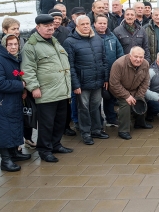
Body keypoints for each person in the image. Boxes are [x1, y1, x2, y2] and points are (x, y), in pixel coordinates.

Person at [21, 14, 73, 162]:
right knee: (46, 124)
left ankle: (56, 144)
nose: (50, 28)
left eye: (51, 25)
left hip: (62, 90)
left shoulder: (54, 41)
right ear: (38, 27)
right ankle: (44, 150)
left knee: (59, 121)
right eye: (46, 26)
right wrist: (34, 87)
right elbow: (28, 69)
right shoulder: (31, 46)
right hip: (45, 92)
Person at [62, 16, 109, 145]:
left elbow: (104, 60)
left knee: (96, 107)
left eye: (87, 23)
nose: (86, 26)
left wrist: (105, 78)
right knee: (83, 109)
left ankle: (96, 130)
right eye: (82, 24)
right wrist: (75, 84)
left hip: (97, 81)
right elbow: (69, 66)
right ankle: (86, 133)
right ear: (76, 26)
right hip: (82, 83)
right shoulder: (70, 42)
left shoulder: (97, 39)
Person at [0, 34, 31, 171]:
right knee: (4, 129)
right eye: (10, 45)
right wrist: (20, 86)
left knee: (14, 125)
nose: (13, 47)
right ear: (4, 45)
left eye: (15, 44)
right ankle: (5, 160)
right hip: (1, 101)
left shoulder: (14, 58)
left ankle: (14, 153)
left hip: (13, 100)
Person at [109, 47, 151, 140]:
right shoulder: (119, 64)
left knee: (141, 102)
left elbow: (145, 81)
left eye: (141, 57)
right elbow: (114, 83)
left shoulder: (145, 64)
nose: (138, 59)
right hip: (119, 89)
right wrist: (127, 96)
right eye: (136, 56)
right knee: (126, 104)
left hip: (135, 89)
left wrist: (139, 96)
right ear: (130, 55)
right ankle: (123, 130)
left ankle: (140, 123)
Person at [93, 14, 124, 128]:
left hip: (111, 73)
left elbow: (119, 52)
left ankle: (111, 118)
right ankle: (98, 122)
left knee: (110, 98)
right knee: (96, 100)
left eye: (104, 23)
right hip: (96, 74)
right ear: (95, 24)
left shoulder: (112, 36)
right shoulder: (91, 37)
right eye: (100, 23)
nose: (102, 25)